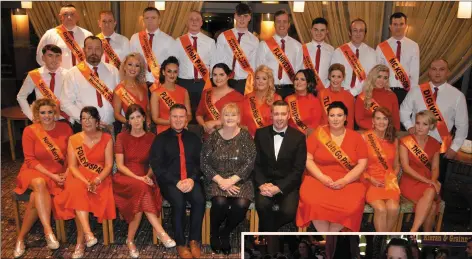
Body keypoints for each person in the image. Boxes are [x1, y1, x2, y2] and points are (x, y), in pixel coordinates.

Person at [13, 98, 73, 258]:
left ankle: (20, 238)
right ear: (37, 114)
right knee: (39, 183)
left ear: (55, 113)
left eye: (50, 112)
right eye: (43, 112)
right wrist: (52, 176)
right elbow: (30, 160)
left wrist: (66, 173)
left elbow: (71, 154)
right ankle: (48, 231)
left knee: (34, 198)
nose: (46, 116)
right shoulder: (30, 131)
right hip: (34, 172)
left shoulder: (65, 128)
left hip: (59, 172)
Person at [113, 105, 175, 258]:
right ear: (128, 121)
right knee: (142, 188)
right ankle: (160, 232)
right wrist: (139, 178)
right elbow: (119, 165)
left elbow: (154, 163)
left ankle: (130, 240)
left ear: (144, 118)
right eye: (132, 118)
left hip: (146, 176)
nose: (135, 121)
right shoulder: (121, 137)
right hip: (125, 178)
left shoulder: (152, 138)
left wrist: (147, 175)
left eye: (138, 117)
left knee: (140, 195)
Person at [296, 101, 368, 232]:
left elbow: (362, 164)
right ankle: (331, 240)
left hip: (349, 181)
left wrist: (345, 180)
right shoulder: (318, 134)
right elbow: (308, 159)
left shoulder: (356, 137)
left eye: (339, 115)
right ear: (327, 117)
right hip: (318, 179)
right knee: (312, 202)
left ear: (346, 117)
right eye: (332, 115)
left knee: (351, 206)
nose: (335, 119)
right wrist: (322, 177)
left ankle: (331, 238)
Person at [58, 106, 115, 258]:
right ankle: (86, 235)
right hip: (79, 175)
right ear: (80, 121)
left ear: (97, 121)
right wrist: (86, 181)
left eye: (90, 118)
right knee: (77, 189)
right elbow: (72, 166)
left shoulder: (107, 138)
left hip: (100, 176)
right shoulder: (74, 139)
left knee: (79, 193)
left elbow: (109, 165)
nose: (87, 121)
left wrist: (96, 180)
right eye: (84, 118)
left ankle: (81, 241)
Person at [400, 59, 468, 184]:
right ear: (429, 72)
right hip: (415, 146)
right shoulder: (416, 91)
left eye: (442, 69)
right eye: (434, 69)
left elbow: (462, 126)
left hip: (441, 149)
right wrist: (410, 127)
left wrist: (454, 148)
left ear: (448, 72)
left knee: (435, 185)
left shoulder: (457, 96)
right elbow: (403, 111)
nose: (437, 73)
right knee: (412, 182)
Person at [150, 104, 205, 259]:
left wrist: (192, 179)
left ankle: (194, 240)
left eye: (182, 116)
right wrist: (176, 181)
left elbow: (200, 162)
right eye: (175, 116)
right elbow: (157, 166)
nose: (178, 120)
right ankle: (180, 243)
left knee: (199, 200)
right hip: (170, 181)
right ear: (169, 118)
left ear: (186, 119)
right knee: (179, 202)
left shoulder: (194, 138)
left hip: (190, 179)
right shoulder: (160, 139)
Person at [201, 103, 256, 255]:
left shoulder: (245, 136)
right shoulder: (213, 137)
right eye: (226, 114)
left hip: (240, 179)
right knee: (219, 202)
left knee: (241, 203)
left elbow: (251, 161)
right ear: (221, 118)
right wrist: (221, 181)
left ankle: (225, 232)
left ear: (239, 118)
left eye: (233, 115)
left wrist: (232, 180)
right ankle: (213, 232)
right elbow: (204, 163)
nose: (230, 118)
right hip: (216, 179)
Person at [254, 100, 307, 231]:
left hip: (287, 185)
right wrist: (261, 184)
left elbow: (298, 169)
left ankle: (267, 233)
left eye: (283, 114)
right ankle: (268, 237)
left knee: (288, 212)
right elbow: (255, 163)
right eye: (276, 114)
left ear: (289, 115)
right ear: (271, 115)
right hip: (265, 183)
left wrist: (279, 188)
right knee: (262, 206)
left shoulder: (299, 137)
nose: (279, 118)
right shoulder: (260, 134)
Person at [62, 36, 120, 133]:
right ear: (84, 50)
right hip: (84, 127)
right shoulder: (72, 73)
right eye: (89, 48)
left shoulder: (113, 71)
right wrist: (87, 120)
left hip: (110, 126)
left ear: (102, 50)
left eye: (97, 48)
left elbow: (120, 98)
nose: (94, 52)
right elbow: (65, 103)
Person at [400, 110, 441, 232]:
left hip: (428, 182)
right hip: (410, 181)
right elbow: (406, 168)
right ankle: (422, 235)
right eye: (417, 123)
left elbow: (435, 168)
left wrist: (432, 181)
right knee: (432, 204)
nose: (420, 127)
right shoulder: (406, 141)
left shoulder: (435, 144)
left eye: (425, 124)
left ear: (431, 126)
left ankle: (414, 230)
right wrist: (430, 182)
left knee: (432, 203)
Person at [174, 10, 217, 122]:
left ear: (201, 22)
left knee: (204, 114)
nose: (194, 22)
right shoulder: (178, 41)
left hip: (204, 83)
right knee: (184, 114)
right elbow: (175, 63)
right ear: (187, 23)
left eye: (197, 19)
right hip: (184, 83)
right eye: (191, 19)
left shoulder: (210, 42)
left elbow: (214, 64)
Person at [362, 107, 400, 231]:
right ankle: (381, 240)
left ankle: (383, 239)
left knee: (394, 208)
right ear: (373, 121)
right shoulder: (365, 138)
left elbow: (397, 165)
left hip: (388, 182)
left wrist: (391, 178)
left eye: (385, 119)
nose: (381, 122)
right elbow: (356, 165)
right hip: (370, 181)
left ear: (389, 121)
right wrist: (370, 178)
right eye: (378, 118)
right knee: (381, 209)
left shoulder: (394, 140)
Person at [256, 9, 303, 99]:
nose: (282, 25)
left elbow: (299, 71)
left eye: (284, 22)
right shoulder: (264, 45)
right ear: (274, 24)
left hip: (291, 90)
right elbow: (259, 70)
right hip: (270, 90)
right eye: (278, 22)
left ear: (289, 24)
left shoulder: (297, 46)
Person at [215, 3, 259, 95]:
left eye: (245, 16)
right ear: (235, 16)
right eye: (239, 15)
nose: (242, 19)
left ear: (249, 18)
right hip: (226, 80)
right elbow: (218, 60)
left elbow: (254, 64)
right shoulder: (223, 36)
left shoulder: (254, 40)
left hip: (245, 82)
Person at [376, 12, 420, 105]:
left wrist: (413, 94)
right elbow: (378, 72)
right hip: (387, 90)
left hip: (406, 91)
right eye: (395, 24)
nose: (398, 27)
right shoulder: (381, 47)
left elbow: (414, 73)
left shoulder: (413, 46)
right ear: (390, 26)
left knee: (403, 119)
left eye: (401, 24)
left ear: (406, 26)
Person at [17, 44, 69, 121]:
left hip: (63, 118)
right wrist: (32, 117)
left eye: (57, 56)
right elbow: (21, 96)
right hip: (42, 119)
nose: (54, 59)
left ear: (61, 58)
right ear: (43, 58)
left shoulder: (69, 75)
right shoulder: (34, 75)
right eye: (50, 56)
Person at [36, 4, 93, 69]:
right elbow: (40, 58)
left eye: (72, 14)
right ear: (60, 17)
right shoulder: (50, 35)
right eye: (65, 14)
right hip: (60, 76)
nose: (69, 17)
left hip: (82, 75)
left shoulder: (87, 35)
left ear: (77, 17)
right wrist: (52, 73)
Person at [331, 18, 377, 96]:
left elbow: (371, 77)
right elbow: (333, 75)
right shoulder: (339, 52)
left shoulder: (372, 53)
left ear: (365, 33)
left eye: (361, 30)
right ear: (350, 33)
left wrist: (354, 91)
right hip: (342, 93)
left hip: (364, 95)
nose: (358, 34)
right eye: (355, 30)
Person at [196, 63, 244, 137]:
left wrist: (215, 122)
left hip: (228, 137)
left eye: (221, 75)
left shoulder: (238, 97)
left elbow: (239, 120)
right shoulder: (206, 92)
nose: (218, 78)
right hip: (207, 137)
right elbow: (199, 115)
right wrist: (205, 126)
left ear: (228, 76)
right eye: (215, 75)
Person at [129, 7, 174, 86]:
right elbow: (130, 61)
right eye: (147, 18)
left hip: (160, 83)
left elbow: (171, 65)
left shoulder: (169, 40)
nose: (150, 20)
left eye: (153, 18)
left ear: (159, 20)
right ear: (143, 20)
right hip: (139, 83)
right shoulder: (135, 38)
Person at [150, 56, 192, 134]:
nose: (172, 75)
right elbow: (155, 119)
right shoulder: (156, 93)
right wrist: (173, 123)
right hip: (164, 130)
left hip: (182, 128)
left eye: (175, 72)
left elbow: (189, 115)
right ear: (163, 72)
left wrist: (184, 122)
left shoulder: (184, 91)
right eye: (169, 71)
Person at [112, 53, 151, 132]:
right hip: (130, 130)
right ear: (124, 67)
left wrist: (148, 120)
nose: (133, 68)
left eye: (137, 66)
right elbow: (117, 114)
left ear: (140, 69)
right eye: (130, 64)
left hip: (147, 128)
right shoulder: (119, 89)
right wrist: (131, 123)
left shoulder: (144, 85)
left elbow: (147, 108)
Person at [355, 64, 401, 130]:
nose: (382, 80)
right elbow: (359, 120)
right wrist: (377, 127)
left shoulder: (392, 96)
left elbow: (396, 121)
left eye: (385, 78)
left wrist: (394, 134)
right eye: (379, 77)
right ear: (373, 77)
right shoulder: (362, 96)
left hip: (386, 133)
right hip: (368, 133)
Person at [240, 65, 282, 137]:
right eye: (257, 78)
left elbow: (280, 123)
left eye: (264, 79)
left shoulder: (277, 98)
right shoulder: (247, 97)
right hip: (249, 139)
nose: (260, 81)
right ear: (254, 80)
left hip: (269, 139)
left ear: (269, 81)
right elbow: (240, 122)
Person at [284, 69, 323, 136]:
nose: (298, 82)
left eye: (302, 79)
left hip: (307, 138)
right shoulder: (288, 99)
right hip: (290, 137)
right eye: (296, 79)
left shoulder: (314, 101)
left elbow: (315, 125)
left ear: (308, 83)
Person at [317, 63, 355, 129]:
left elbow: (350, 120)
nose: (335, 80)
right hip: (324, 133)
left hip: (341, 133)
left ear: (343, 78)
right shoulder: (321, 94)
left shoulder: (349, 97)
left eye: (339, 77)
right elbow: (317, 117)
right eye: (333, 76)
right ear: (329, 77)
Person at [301, 17, 334, 92]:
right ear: (311, 30)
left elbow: (332, 72)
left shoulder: (332, 50)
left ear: (327, 32)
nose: (319, 33)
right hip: (304, 90)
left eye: (322, 30)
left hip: (325, 90)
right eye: (316, 30)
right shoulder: (302, 49)